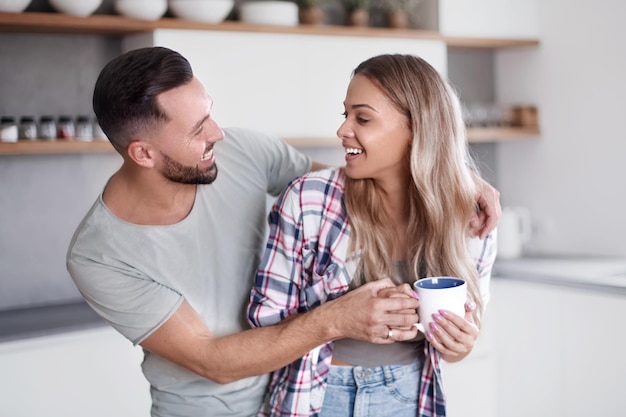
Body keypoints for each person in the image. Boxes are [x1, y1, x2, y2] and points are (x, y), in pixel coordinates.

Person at [66, 47, 500, 417]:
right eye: (198, 130)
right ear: (143, 153)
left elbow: (353, 181)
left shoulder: (240, 152)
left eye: (209, 114)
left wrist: (451, 181)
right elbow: (211, 361)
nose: (219, 132)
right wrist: (337, 318)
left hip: (302, 387)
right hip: (214, 407)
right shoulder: (100, 254)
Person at [247, 54, 498, 417]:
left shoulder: (472, 218)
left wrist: (459, 345)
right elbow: (264, 323)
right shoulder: (310, 201)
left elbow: (464, 332)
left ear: (417, 130)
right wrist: (338, 317)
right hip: (316, 395)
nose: (343, 130)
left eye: (362, 118)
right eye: (345, 114)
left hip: (409, 396)